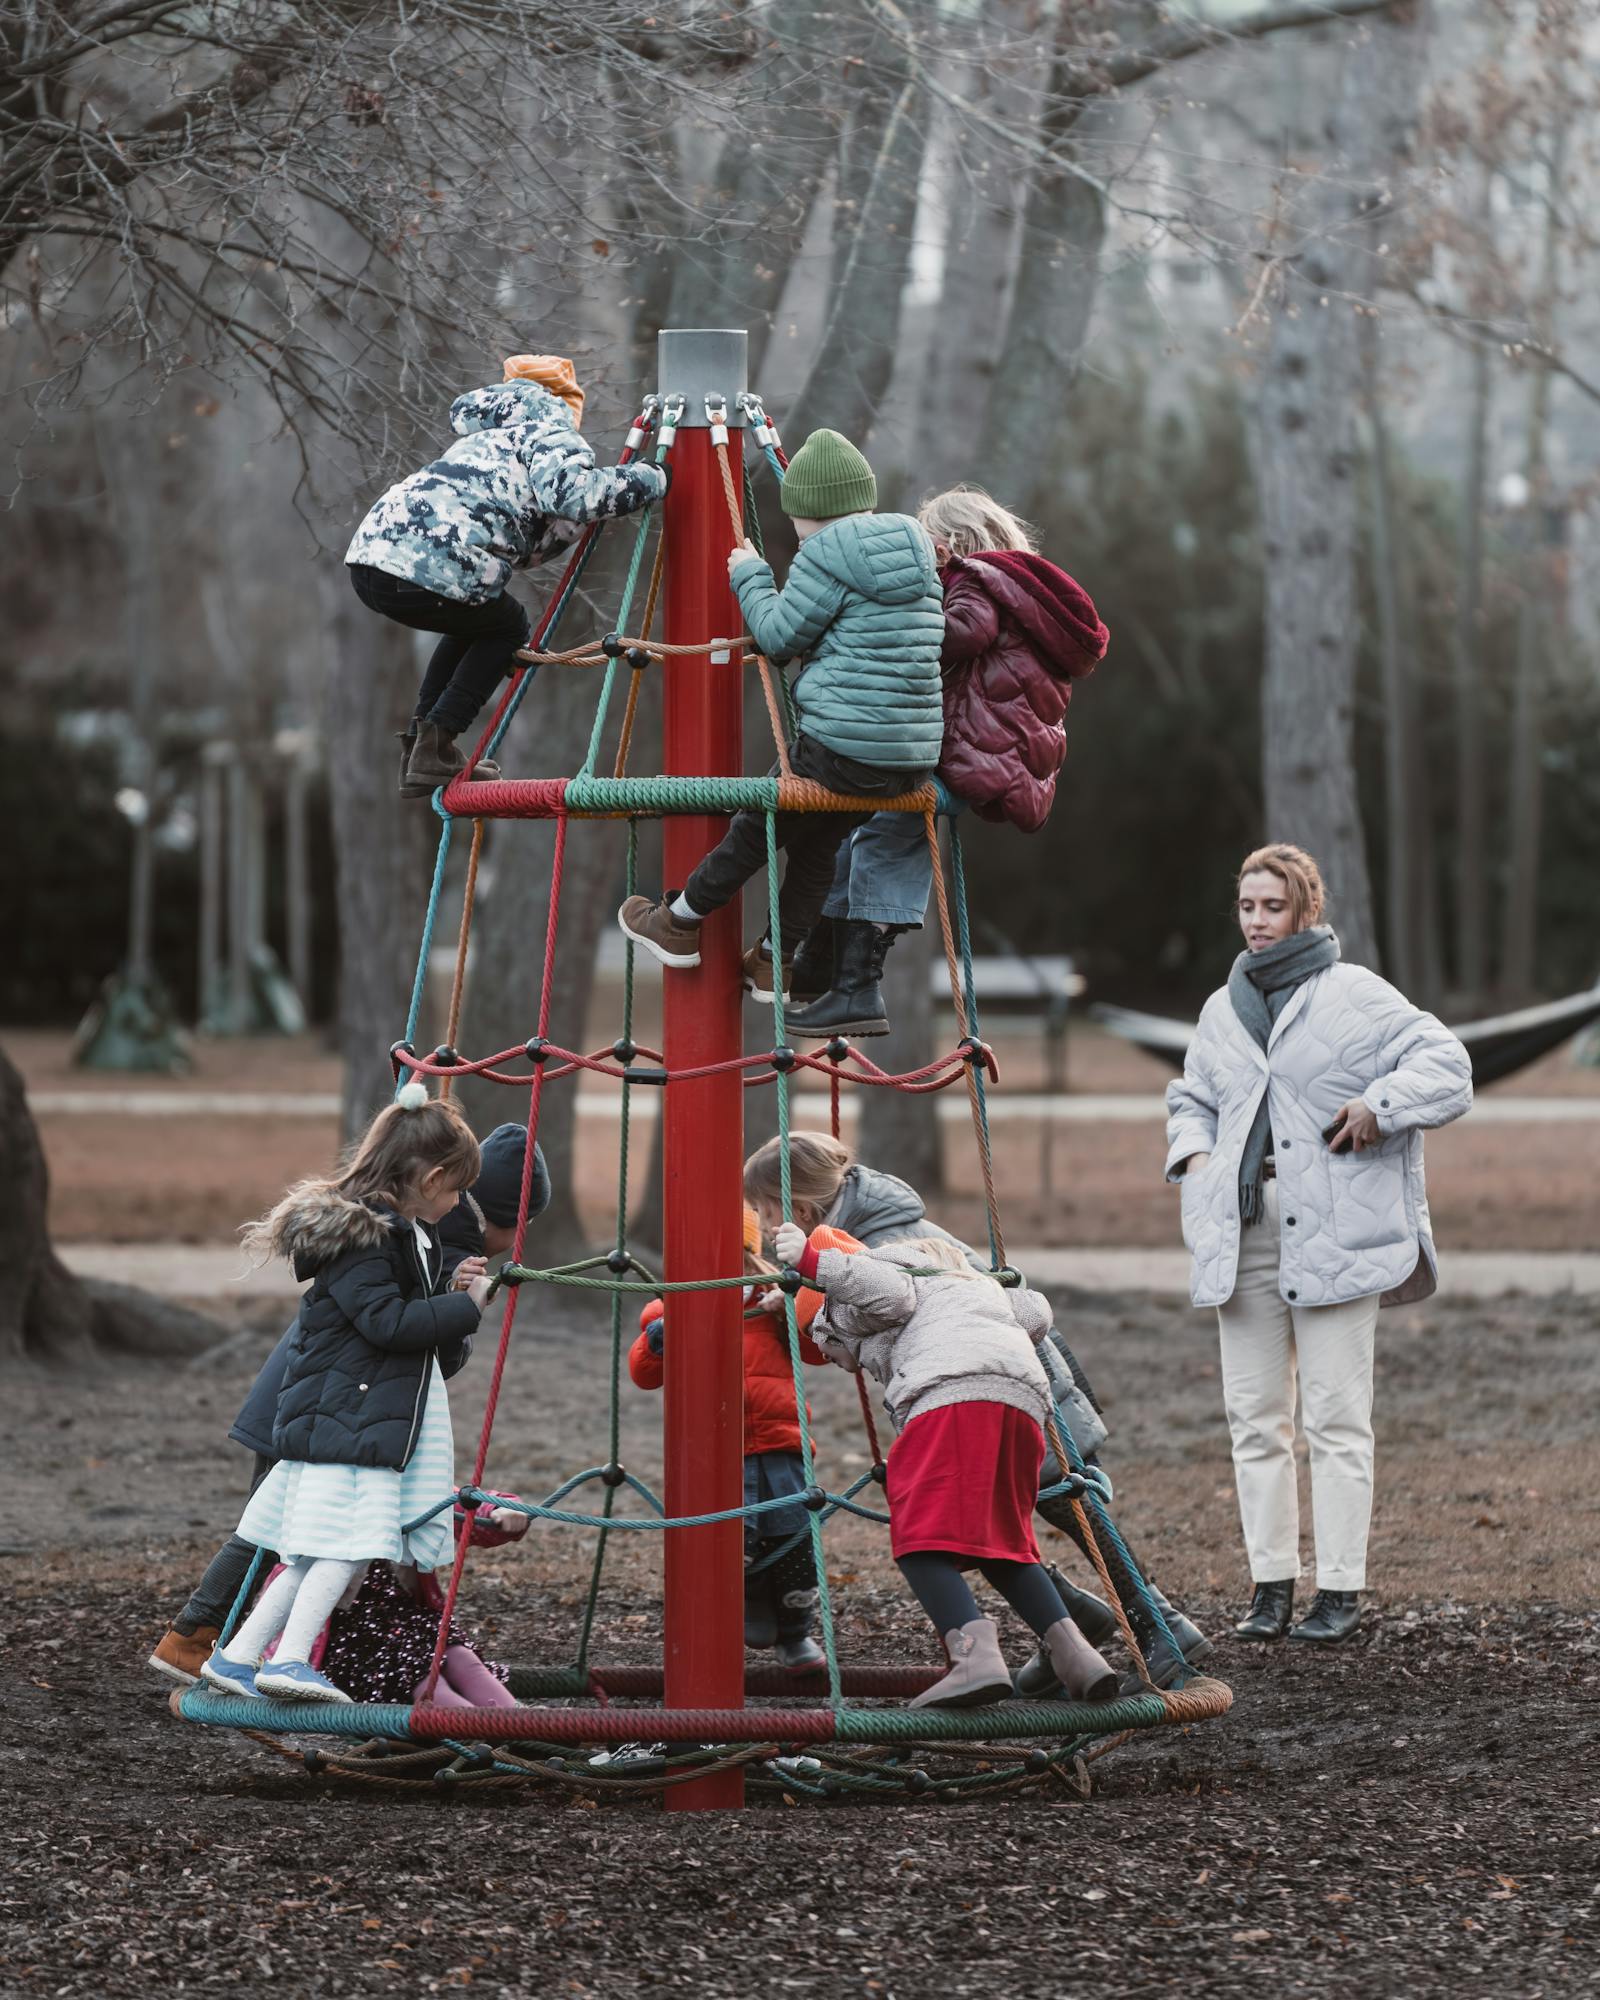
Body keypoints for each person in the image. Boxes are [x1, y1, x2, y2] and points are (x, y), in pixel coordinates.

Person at [744, 1131, 1212, 1687]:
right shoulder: (865, 1221)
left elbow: (873, 1302)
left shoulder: (874, 1236)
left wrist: (805, 1288)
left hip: (991, 1380)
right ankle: (1071, 1630)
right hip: (1007, 1368)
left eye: (767, 1211)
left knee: (1054, 1500)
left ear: (796, 1207)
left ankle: (1157, 1622)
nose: (767, 1225)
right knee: (1012, 1510)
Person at [1166, 843, 1473, 1645]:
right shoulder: (1219, 1007)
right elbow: (1191, 1096)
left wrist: (1381, 1101)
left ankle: (1338, 1590)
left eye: (1272, 907)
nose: (1257, 922)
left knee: (1336, 1418)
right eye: (1246, 907)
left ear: (1305, 910)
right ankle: (1270, 1587)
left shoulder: (1355, 992)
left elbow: (1449, 1064)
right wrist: (1194, 1157)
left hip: (1337, 1234)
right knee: (1254, 1418)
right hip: (1243, 1234)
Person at [148, 1122, 549, 1685]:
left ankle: (224, 1646)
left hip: (314, 1395)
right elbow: (415, 1344)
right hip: (333, 1404)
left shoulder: (411, 1222)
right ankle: (219, 1644)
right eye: (524, 1225)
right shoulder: (430, 1231)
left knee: (280, 1528)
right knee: (288, 1532)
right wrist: (465, 1310)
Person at [617, 427, 944, 1031]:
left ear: (808, 514)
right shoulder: (916, 548)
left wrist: (752, 575)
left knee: (759, 825)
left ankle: (680, 921)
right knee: (818, 844)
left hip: (842, 746)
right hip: (908, 756)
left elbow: (776, 636)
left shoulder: (825, 551)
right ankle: (775, 960)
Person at [198, 1085, 491, 1702]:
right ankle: (290, 1661)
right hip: (349, 1423)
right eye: (456, 1188)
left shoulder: (398, 1233)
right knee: (352, 1547)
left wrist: (446, 1286)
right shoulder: (366, 1236)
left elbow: (394, 1308)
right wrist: (464, 1308)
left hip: (350, 1417)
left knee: (306, 1552)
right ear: (431, 1177)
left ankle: (239, 1655)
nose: (461, 1201)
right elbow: (387, 1324)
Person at [786, 484, 1108, 1038]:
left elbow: (965, 632)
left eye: (927, 544)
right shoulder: (1019, 588)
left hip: (966, 754)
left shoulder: (977, 581)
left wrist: (893, 630)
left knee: (883, 832)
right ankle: (824, 968)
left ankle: (855, 985)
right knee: (858, 830)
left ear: (952, 545)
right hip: (994, 760)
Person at [779, 1223, 1118, 1708]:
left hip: (950, 1398)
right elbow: (1034, 1310)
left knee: (920, 1543)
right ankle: (1077, 1656)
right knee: (1004, 1546)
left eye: (821, 1342)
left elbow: (884, 1292)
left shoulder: (869, 1288)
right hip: (1022, 1408)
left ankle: (972, 1659)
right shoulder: (966, 1285)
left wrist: (811, 1264)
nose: (829, 1357)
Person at [346, 354, 668, 798]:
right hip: (426, 563)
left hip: (370, 561)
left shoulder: (484, 438)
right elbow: (578, 496)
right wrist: (650, 479)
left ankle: (421, 750)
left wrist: (565, 528)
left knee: (476, 621)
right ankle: (437, 742)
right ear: (564, 402)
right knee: (508, 626)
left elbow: (519, 533)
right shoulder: (551, 430)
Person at [629, 1205, 853, 1672]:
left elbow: (815, 1352)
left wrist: (791, 1308)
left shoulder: (776, 1295)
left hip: (780, 1439)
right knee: (737, 1537)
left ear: (750, 1256)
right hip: (721, 1451)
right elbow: (643, 1373)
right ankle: (752, 1606)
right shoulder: (670, 1305)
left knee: (792, 1536)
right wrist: (664, 1333)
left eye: (731, 1258)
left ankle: (796, 1633)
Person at [257, 1495, 529, 1710]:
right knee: (414, 1668)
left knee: (458, 1654)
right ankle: (477, 1726)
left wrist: (499, 1510)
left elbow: (462, 1503)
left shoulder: (412, 1490)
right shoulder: (331, 1493)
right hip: (348, 1641)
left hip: (406, 1621)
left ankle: (516, 1717)